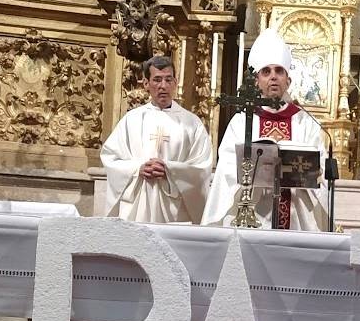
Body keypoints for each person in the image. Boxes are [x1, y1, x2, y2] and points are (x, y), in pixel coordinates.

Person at [202, 29, 330, 230]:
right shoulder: (242, 120)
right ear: (256, 80)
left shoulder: (304, 121)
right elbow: (227, 166)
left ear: (288, 80)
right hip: (252, 210)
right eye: (266, 71)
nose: (273, 77)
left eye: (279, 71)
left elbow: (319, 166)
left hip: (295, 214)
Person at [99, 55, 213, 224]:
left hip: (174, 207)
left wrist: (170, 170)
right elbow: (110, 157)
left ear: (175, 82)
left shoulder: (191, 123)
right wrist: (138, 168)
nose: (163, 86)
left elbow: (201, 167)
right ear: (146, 83)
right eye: (157, 80)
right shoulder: (132, 119)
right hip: (139, 202)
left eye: (168, 80)